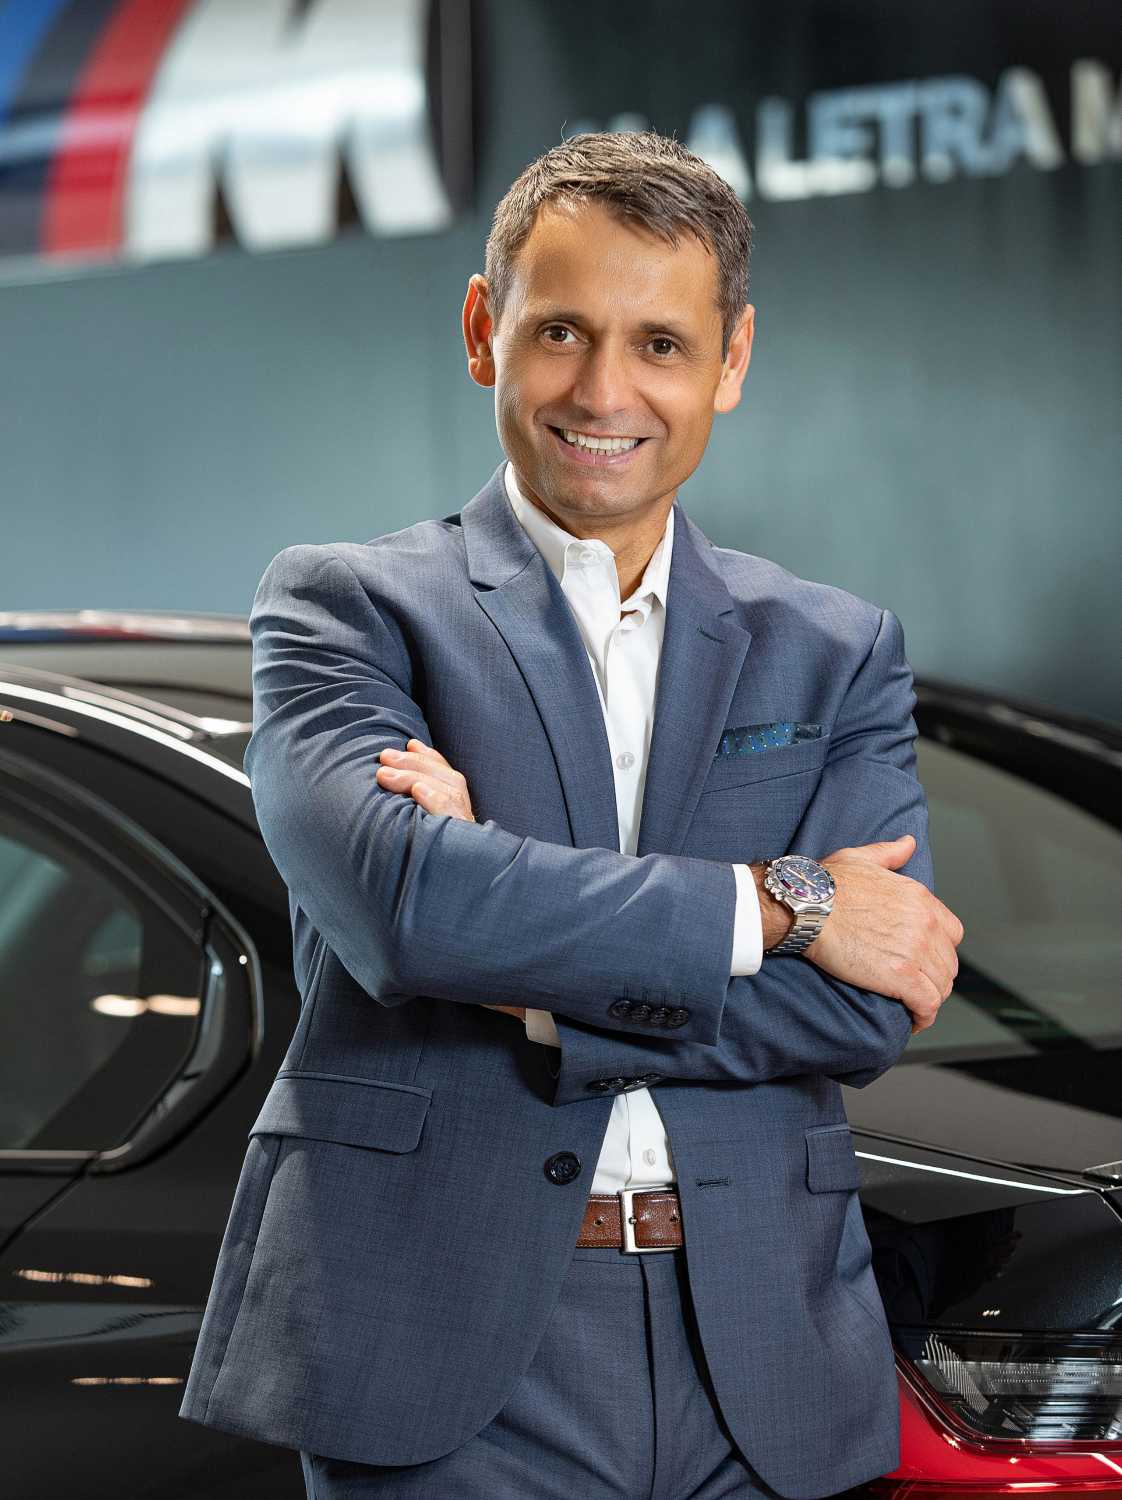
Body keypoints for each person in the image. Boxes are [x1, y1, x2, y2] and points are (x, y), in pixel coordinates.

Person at [178, 131, 963, 1499]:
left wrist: (520, 966)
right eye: (560, 332)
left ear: (730, 360)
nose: (604, 392)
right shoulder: (349, 609)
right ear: (484, 330)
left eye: (660, 344)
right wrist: (781, 903)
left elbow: (862, 1007)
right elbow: (405, 915)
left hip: (762, 1351)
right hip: (444, 1353)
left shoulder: (833, 650)